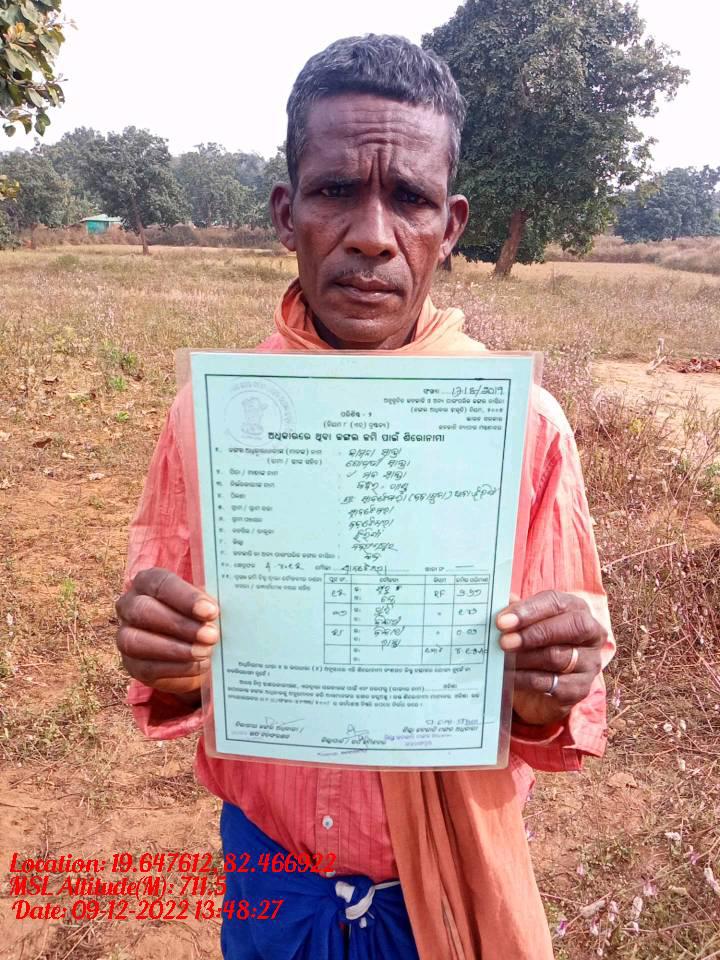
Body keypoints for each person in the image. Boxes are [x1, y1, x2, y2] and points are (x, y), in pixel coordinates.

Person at [115, 34, 614, 960]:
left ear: (450, 226)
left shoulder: (524, 431)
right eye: (336, 190)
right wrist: (167, 652)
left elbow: (547, 712)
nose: (373, 236)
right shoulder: (214, 419)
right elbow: (175, 673)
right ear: (286, 211)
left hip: (439, 893)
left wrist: (547, 686)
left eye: (411, 199)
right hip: (272, 876)